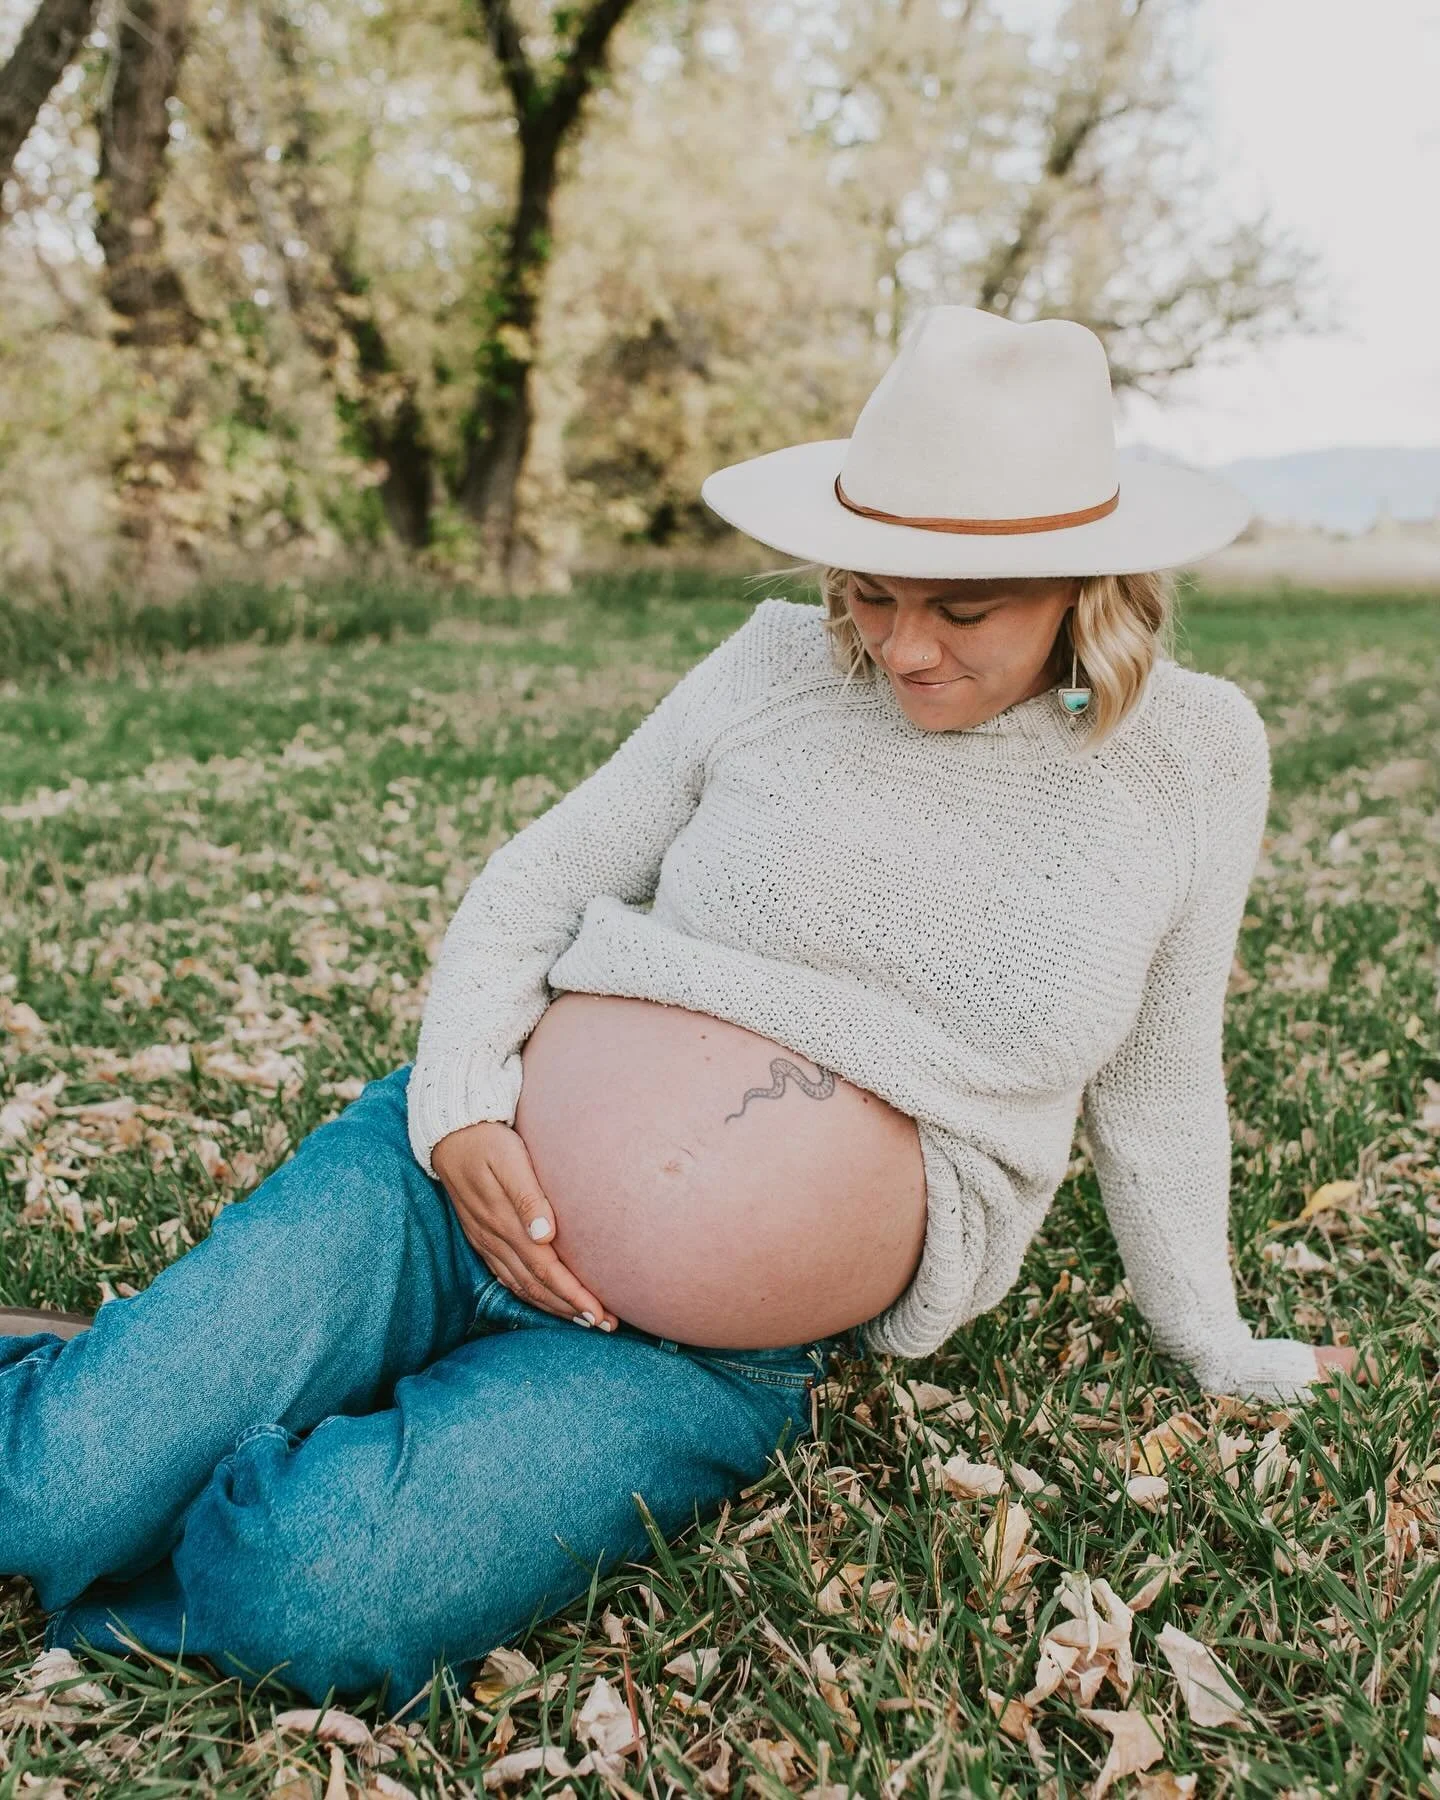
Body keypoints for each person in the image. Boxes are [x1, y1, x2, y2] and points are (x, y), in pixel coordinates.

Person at [0, 305, 1363, 1708]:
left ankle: (180, 1395)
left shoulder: (1192, 758)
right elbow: (538, 881)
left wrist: (1213, 1336)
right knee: (48, 1500)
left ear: (1088, 577)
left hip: (697, 1356)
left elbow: (1159, 1083)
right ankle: (134, 1407)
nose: (898, 648)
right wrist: (460, 1102)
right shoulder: (778, 661)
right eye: (871, 591)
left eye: (960, 611)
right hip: (444, 1185)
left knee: (309, 1595)